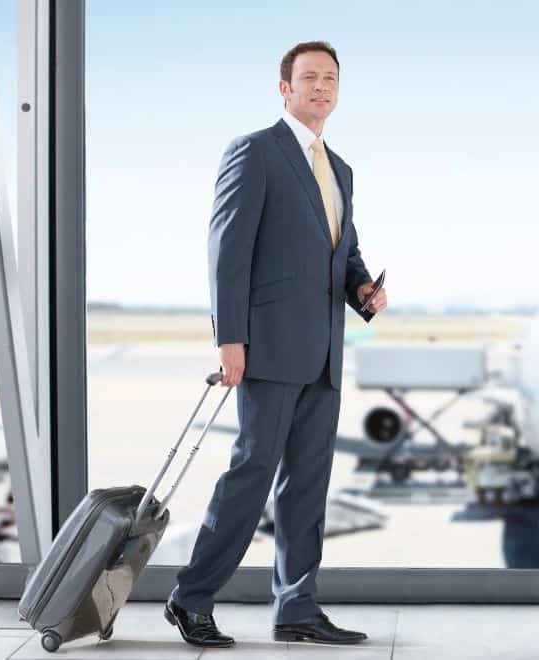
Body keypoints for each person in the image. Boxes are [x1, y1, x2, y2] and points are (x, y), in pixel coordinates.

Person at [164, 41, 387, 649]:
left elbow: (344, 253)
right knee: (252, 475)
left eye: (331, 78)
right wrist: (230, 339)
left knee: (307, 487)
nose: (321, 86)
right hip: (266, 349)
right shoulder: (255, 152)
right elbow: (227, 253)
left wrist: (362, 290)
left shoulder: (339, 168)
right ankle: (191, 598)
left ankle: (297, 609)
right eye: (309, 77)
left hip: (324, 352)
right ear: (284, 88)